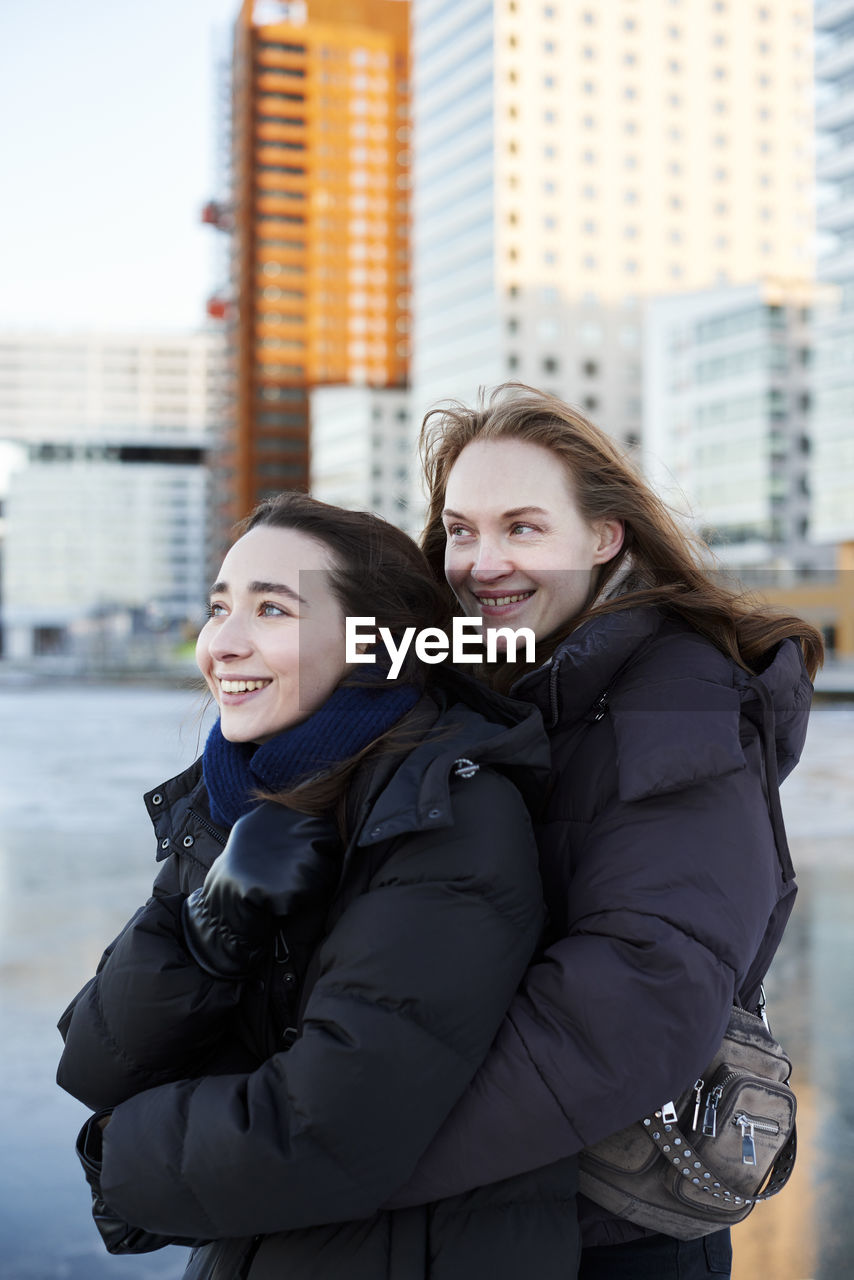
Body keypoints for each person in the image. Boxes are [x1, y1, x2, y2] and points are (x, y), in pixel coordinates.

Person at [56, 491, 580, 1280]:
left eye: (272, 611)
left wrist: (112, 1163)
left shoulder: (450, 809)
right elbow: (96, 1060)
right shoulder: (242, 798)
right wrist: (210, 933)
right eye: (218, 607)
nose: (222, 645)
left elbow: (328, 1130)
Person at [387, 384, 822, 1279]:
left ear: (604, 538)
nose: (481, 560)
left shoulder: (677, 698)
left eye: (523, 527)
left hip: (608, 1238)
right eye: (461, 530)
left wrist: (355, 1154)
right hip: (503, 1215)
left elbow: (642, 995)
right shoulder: (492, 684)